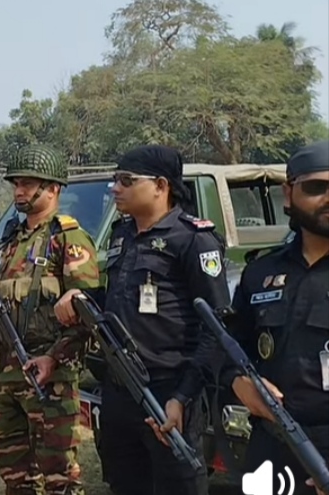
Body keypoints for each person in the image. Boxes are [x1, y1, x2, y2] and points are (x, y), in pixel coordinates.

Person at [88, 145, 231, 495]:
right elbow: (116, 301)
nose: (115, 188)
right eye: (115, 180)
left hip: (168, 393)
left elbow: (216, 328)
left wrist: (182, 396)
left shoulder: (193, 240)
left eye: (126, 180)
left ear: (160, 186)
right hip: (120, 389)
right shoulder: (122, 235)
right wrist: (79, 298)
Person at [0, 144, 99, 495]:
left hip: (50, 378)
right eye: (16, 184)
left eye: (27, 184)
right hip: (8, 374)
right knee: (16, 477)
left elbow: (87, 315)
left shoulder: (67, 238)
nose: (18, 191)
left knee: (59, 478)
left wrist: (54, 358)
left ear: (52, 188)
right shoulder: (12, 240)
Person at [225, 140, 329, 495]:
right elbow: (228, 345)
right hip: (273, 444)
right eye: (317, 187)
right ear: (288, 193)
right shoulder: (260, 272)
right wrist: (237, 381)